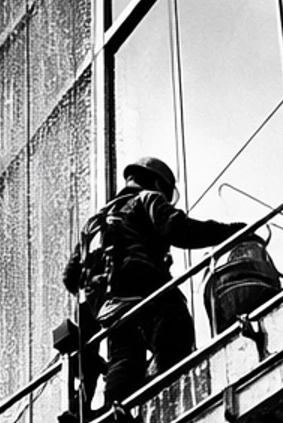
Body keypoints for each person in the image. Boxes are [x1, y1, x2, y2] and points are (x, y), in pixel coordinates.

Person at [63, 157, 243, 406]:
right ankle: (173, 395)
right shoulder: (147, 198)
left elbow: (70, 278)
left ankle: (117, 408)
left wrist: (101, 290)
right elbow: (179, 230)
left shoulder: (93, 224)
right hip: (144, 287)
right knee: (176, 328)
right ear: (158, 183)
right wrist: (230, 232)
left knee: (125, 354)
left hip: (109, 308)